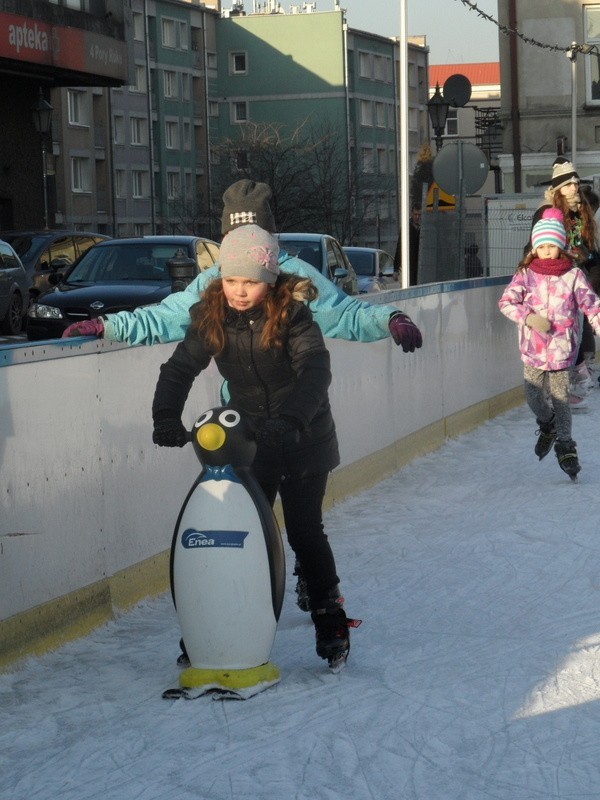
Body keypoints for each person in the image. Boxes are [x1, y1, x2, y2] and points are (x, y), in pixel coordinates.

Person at [151, 224, 356, 666]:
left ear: (269, 280)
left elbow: (316, 369)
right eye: (231, 280)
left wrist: (291, 419)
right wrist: (165, 416)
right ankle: (220, 622)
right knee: (243, 535)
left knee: (303, 530)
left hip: (304, 436)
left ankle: (329, 616)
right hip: (249, 444)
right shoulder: (212, 316)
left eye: (250, 281)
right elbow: (180, 368)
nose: (239, 291)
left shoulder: (293, 315)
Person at [62, 179, 422, 355]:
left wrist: (389, 318)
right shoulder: (216, 282)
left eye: (255, 233)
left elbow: (346, 315)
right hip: (241, 418)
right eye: (236, 233)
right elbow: (165, 318)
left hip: (296, 420)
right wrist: (104, 325)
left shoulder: (295, 279)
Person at [499, 208, 600, 479]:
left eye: (551, 246)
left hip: (562, 349)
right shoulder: (525, 274)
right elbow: (506, 302)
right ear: (534, 248)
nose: (545, 250)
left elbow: (592, 306)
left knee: (560, 398)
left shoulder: (573, 275)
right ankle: (547, 424)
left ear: (560, 248)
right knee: (533, 396)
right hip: (533, 349)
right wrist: (529, 318)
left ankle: (566, 445)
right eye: (541, 246)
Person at [529, 158, 600, 404]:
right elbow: (537, 247)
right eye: (569, 184)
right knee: (552, 339)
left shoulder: (578, 213)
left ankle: (563, 388)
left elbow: (586, 249)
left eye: (576, 183)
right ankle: (551, 392)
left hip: (571, 281)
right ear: (558, 188)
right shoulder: (547, 212)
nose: (574, 187)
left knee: (570, 337)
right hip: (549, 282)